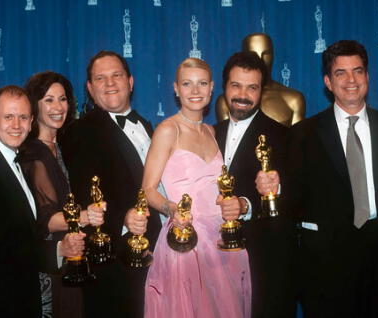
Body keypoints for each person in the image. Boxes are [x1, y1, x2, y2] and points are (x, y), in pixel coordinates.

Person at [282, 40, 378, 317]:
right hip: (326, 264)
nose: (351, 80)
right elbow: (293, 202)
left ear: (367, 77)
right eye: (341, 73)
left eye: (358, 71)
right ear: (328, 81)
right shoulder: (304, 134)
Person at [0, 85, 85, 317]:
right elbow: (3, 251)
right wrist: (58, 249)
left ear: (31, 121)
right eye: (8, 117)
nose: (16, 125)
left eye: (23, 117)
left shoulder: (12, 163)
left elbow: (20, 235)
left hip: (16, 296)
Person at [143, 58, 251, 318]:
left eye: (202, 83)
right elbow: (147, 189)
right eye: (187, 84)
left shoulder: (212, 132)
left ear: (212, 88)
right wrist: (171, 210)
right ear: (176, 89)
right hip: (186, 241)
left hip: (222, 241)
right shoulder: (168, 130)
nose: (195, 91)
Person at [60, 51, 162, 318]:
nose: (109, 83)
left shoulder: (147, 126)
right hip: (114, 262)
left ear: (130, 81)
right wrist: (123, 218)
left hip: (156, 253)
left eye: (116, 75)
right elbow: (84, 194)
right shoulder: (80, 132)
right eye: (100, 78)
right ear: (90, 89)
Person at [214, 51, 298, 318]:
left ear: (262, 90)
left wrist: (252, 201)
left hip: (265, 264)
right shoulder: (209, 134)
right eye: (236, 85)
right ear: (224, 87)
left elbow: (299, 196)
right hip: (213, 259)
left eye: (252, 87)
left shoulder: (285, 137)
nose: (243, 94)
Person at [18, 71, 105, 317]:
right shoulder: (33, 154)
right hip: (49, 267)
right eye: (49, 100)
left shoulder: (62, 145)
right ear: (35, 105)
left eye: (63, 98)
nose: (58, 107)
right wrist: (87, 216)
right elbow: (47, 219)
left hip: (71, 258)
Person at [216, 33, 306, 127]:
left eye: (266, 54)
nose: (260, 59)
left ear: (273, 55)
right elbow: (226, 138)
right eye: (253, 54)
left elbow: (298, 139)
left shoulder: (293, 99)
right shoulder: (226, 101)